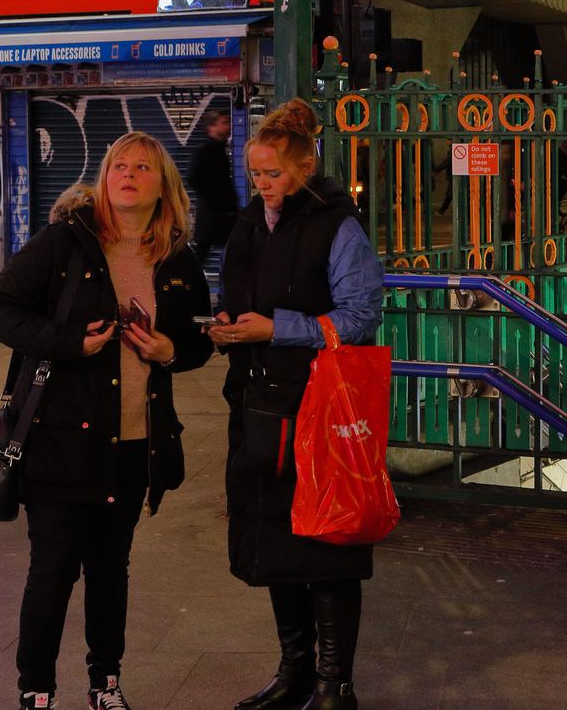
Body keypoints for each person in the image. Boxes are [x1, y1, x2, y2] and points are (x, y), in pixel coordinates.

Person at [0, 133, 214, 710]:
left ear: (164, 186)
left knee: (111, 571)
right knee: (54, 571)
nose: (128, 175)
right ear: (104, 178)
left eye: (143, 167)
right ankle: (35, 691)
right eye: (118, 166)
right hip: (58, 441)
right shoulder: (64, 244)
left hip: (134, 445)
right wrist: (66, 343)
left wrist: (170, 353)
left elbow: (194, 341)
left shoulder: (177, 259)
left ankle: (105, 684)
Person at [213, 98, 384, 710]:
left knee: (327, 543)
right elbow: (236, 293)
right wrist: (228, 324)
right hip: (258, 406)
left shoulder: (338, 225)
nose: (262, 185)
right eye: (254, 173)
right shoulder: (248, 224)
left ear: (307, 167)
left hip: (322, 410)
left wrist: (276, 328)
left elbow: (361, 317)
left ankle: (336, 684)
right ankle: (295, 675)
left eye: (274, 174)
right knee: (274, 541)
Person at [188, 110, 239, 268]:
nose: (228, 126)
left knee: (234, 252)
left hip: (223, 214)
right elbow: (193, 178)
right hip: (213, 214)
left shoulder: (219, 151)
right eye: (224, 123)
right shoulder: (204, 151)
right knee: (201, 256)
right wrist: (212, 199)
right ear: (211, 127)